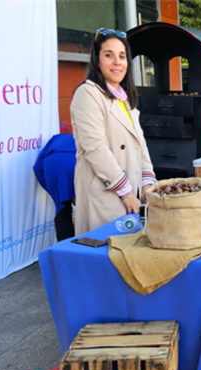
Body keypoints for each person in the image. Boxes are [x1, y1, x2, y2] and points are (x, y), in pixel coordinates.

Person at [70, 28, 156, 236]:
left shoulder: (123, 98)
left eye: (122, 56)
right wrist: (126, 192)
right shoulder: (87, 93)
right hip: (105, 193)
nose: (117, 62)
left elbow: (140, 143)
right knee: (104, 256)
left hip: (130, 194)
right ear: (97, 60)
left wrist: (147, 181)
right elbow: (95, 148)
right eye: (109, 55)